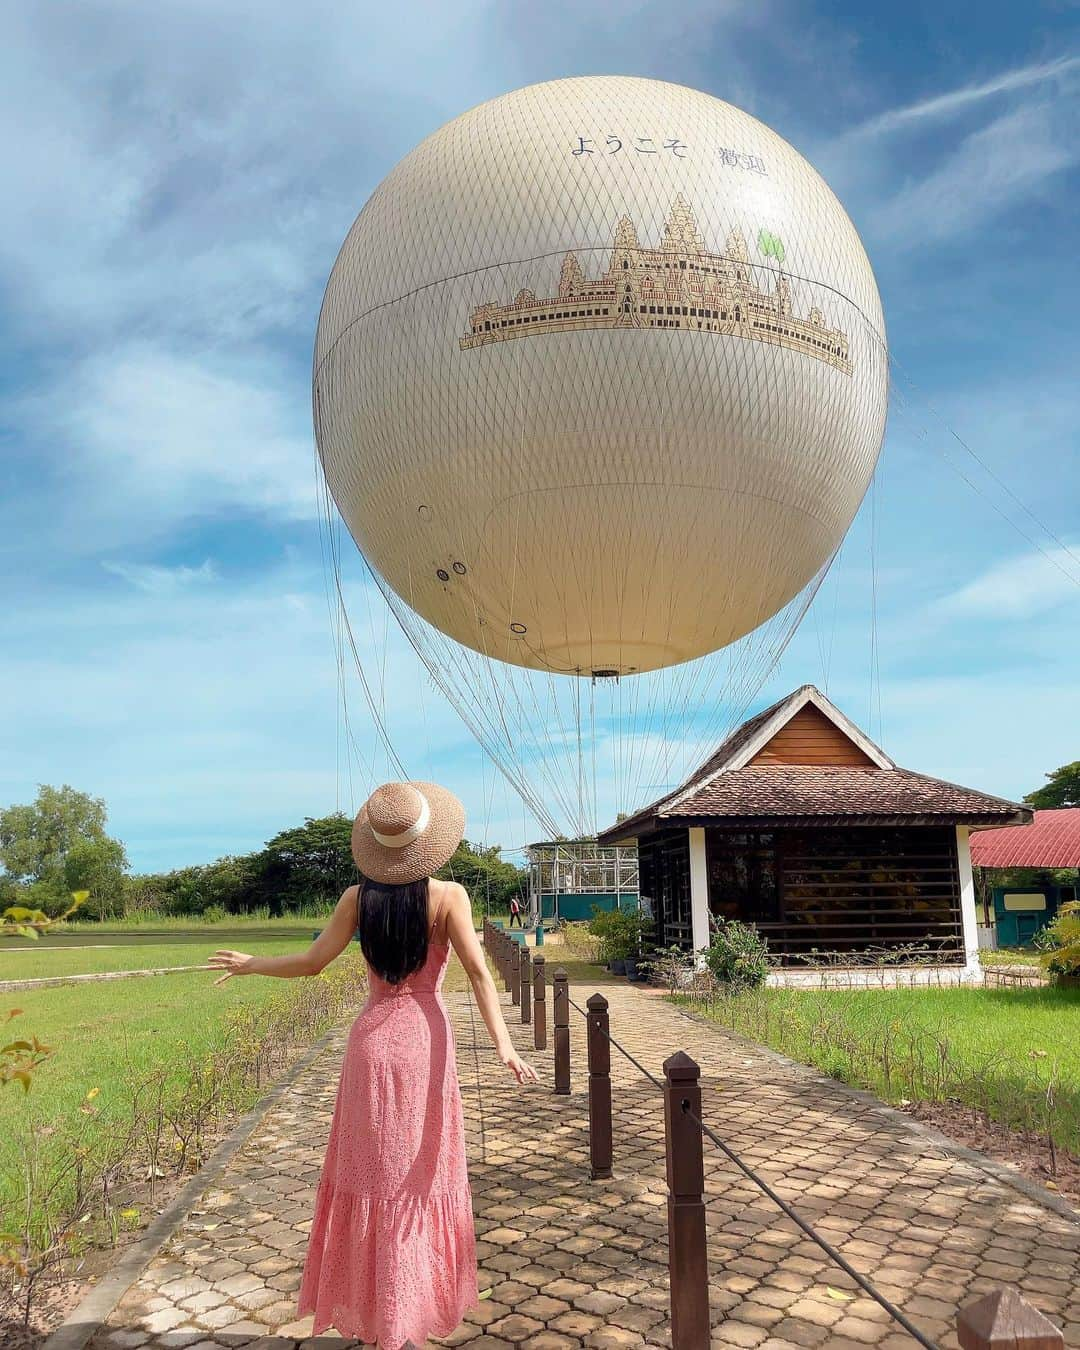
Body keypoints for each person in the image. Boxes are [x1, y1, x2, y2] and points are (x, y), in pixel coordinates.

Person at [207, 781, 538, 1349]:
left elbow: (312, 962)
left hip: (371, 1043)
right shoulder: (450, 896)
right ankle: (406, 1310)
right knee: (419, 1175)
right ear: (430, 839)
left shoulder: (356, 899)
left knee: (373, 1175)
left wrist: (251, 963)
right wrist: (504, 1044)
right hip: (424, 1044)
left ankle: (380, 1311)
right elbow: (481, 975)